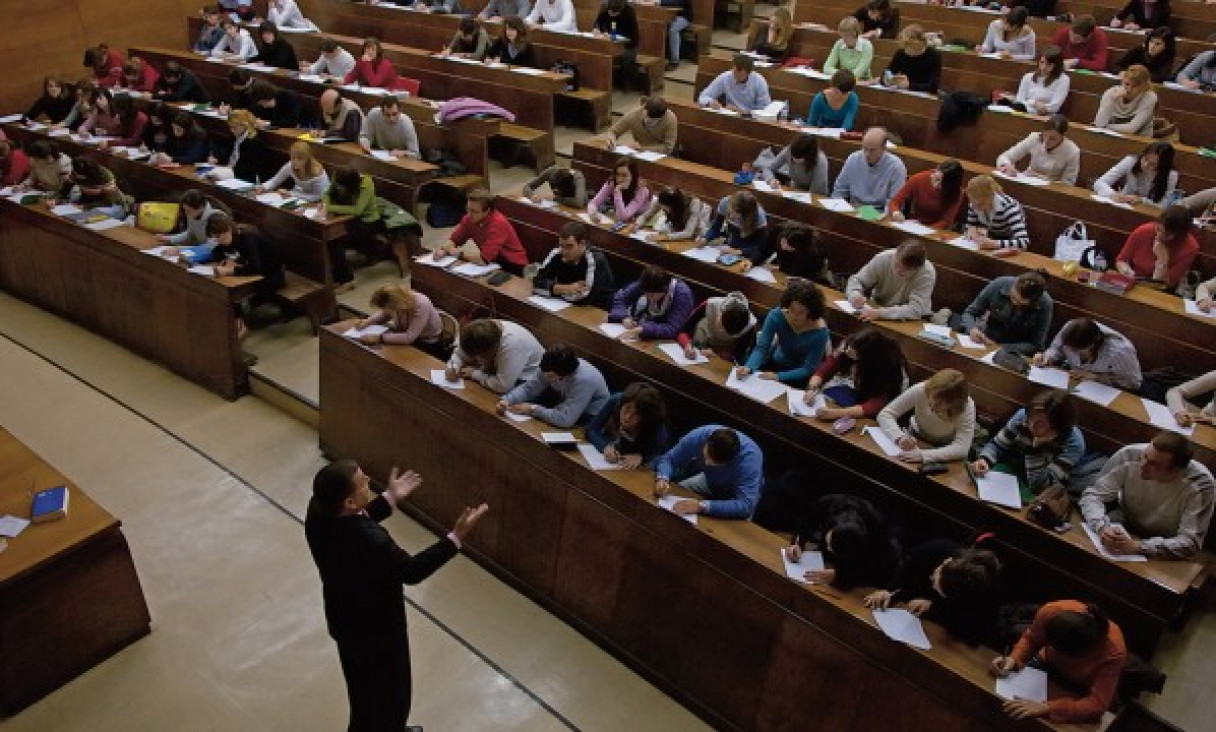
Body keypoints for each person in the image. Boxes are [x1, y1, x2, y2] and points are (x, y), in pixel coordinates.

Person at [305, 460, 488, 732]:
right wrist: (456, 537)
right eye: (362, 483)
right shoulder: (369, 539)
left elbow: (354, 517)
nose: (368, 479)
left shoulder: (318, 512)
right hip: (378, 633)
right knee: (392, 699)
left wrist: (389, 499)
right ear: (350, 503)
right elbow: (411, 570)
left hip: (345, 620)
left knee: (364, 696)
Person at [1080, 433, 1214, 560]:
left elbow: (1190, 542)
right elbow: (1093, 495)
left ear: (1176, 471)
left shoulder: (1201, 483)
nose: (1142, 465)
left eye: (1153, 464)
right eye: (1144, 456)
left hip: (1166, 541)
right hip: (1125, 521)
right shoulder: (1129, 454)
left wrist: (1140, 547)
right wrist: (1101, 527)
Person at [988, 601, 1125, 723]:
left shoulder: (1113, 651)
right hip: (1044, 664)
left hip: (1081, 687)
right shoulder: (1051, 611)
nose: (1053, 651)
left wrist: (1049, 708)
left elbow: (1097, 705)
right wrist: (1014, 659)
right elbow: (1031, 639)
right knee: (1004, 705)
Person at [865, 536, 1002, 645]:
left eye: (938, 588)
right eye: (939, 571)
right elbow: (906, 565)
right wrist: (888, 590)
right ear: (947, 561)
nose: (931, 577)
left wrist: (935, 607)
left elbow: (973, 628)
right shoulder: (939, 548)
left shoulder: (983, 597)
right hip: (904, 602)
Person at [973, 390, 1085, 493]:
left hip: (1035, 490)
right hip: (1009, 473)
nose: (1030, 425)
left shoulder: (1074, 444)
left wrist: (1035, 449)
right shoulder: (1023, 416)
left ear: (1056, 428)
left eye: (1040, 423)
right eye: (1030, 417)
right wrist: (985, 460)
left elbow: (1041, 487)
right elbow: (997, 445)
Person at [785, 493, 900, 588]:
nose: (828, 548)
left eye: (832, 548)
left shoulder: (877, 532)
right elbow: (804, 524)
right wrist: (797, 545)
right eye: (828, 543)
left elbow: (875, 570)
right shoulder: (829, 504)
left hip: (854, 567)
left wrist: (840, 576)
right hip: (822, 560)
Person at [653, 426, 764, 519]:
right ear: (707, 441)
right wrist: (663, 478)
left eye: (713, 463)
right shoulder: (697, 436)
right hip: (708, 481)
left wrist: (702, 506)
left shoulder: (750, 461)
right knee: (675, 494)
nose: (706, 463)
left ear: (732, 460)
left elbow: (745, 505)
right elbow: (669, 460)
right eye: (706, 456)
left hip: (736, 493)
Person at [737, 279, 830, 388]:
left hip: (799, 374)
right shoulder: (776, 316)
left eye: (801, 312)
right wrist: (749, 367)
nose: (794, 315)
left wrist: (779, 376)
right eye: (792, 309)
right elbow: (761, 348)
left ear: (811, 311)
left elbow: (808, 368)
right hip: (776, 361)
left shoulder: (820, 332)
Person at [803, 327, 907, 418]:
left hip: (875, 403)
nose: (848, 351)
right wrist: (811, 388)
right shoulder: (850, 344)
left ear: (868, 358)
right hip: (853, 388)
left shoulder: (888, 368)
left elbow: (876, 404)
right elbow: (827, 366)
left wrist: (836, 413)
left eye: (854, 352)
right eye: (849, 347)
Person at [878, 368, 976, 464]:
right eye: (932, 397)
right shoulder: (921, 389)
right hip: (916, 438)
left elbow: (962, 448)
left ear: (953, 404)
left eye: (939, 405)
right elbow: (885, 414)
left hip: (944, 450)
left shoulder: (967, 408)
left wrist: (923, 455)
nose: (932, 407)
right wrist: (899, 437)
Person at [497, 344, 610, 428]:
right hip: (565, 406)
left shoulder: (584, 380)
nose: (547, 378)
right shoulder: (549, 366)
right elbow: (529, 389)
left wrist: (533, 409)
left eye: (551, 376)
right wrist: (506, 400)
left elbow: (565, 420)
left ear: (564, 375)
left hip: (591, 418)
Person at [435, 189, 530, 276]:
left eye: (474, 211)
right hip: (493, 263)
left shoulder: (498, 224)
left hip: (513, 266)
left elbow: (483, 259)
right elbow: (454, 240)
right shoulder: (469, 219)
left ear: (487, 211)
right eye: (468, 209)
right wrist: (443, 250)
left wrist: (459, 253)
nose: (469, 214)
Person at [322, 166, 389, 289]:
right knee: (329, 236)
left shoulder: (366, 184)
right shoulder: (338, 176)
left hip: (367, 221)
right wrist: (325, 203)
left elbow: (358, 211)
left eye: (340, 187)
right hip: (344, 217)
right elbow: (327, 194)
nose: (337, 187)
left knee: (336, 240)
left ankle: (346, 280)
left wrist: (329, 208)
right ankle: (374, 246)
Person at [958, 270, 1052, 356]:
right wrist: (972, 329)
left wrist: (1000, 347)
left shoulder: (1045, 304)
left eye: (1021, 304)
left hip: (1014, 352)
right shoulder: (999, 284)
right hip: (984, 340)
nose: (1015, 303)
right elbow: (970, 312)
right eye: (1013, 298)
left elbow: (1036, 345)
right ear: (1014, 285)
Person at [1036, 318, 1142, 391]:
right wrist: (1047, 358)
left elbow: (1133, 383)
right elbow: (1055, 349)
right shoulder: (1070, 328)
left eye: (1076, 350)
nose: (1071, 352)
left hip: (1103, 391)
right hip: (1071, 380)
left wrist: (1096, 377)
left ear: (1091, 345)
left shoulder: (1121, 351)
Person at [845, 240, 935, 322]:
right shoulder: (883, 258)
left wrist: (880, 313)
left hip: (910, 319)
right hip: (878, 307)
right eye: (896, 264)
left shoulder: (927, 273)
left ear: (917, 268)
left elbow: (915, 310)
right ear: (896, 253)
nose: (898, 271)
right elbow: (856, 280)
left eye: (905, 269)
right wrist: (854, 296)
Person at [446, 318, 544, 393]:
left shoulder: (511, 345)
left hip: (529, 379)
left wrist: (474, 374)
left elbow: (503, 386)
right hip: (499, 372)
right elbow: (459, 353)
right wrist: (453, 367)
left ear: (490, 351)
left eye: (479, 356)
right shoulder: (479, 331)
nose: (477, 358)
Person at [585, 382, 670, 468]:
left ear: (645, 417)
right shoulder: (616, 400)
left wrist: (641, 458)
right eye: (627, 409)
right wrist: (605, 447)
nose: (627, 417)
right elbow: (591, 429)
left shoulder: (656, 424)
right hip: (617, 456)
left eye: (636, 414)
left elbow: (664, 458)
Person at [532, 221, 616, 308]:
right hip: (563, 306)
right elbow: (536, 283)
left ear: (582, 244)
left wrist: (553, 290)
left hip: (596, 310)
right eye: (561, 245)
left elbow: (585, 298)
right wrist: (566, 289)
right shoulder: (557, 252)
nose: (564, 251)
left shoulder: (595, 259)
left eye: (569, 246)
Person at [1115, 205, 1198, 289]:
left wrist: (1162, 260)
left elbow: (1163, 285)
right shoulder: (1144, 231)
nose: (1159, 236)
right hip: (1134, 280)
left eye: (1167, 234)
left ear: (1180, 235)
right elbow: (1121, 260)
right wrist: (1126, 271)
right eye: (1158, 229)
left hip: (1162, 292)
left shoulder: (1190, 248)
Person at [353, 282, 447, 357]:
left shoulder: (421, 303)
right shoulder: (396, 303)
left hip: (427, 343)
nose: (386, 310)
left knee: (392, 357)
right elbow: (385, 314)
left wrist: (379, 338)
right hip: (405, 335)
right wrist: (368, 321)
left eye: (389, 308)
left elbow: (409, 338)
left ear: (397, 305)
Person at [204, 213, 285, 296]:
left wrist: (230, 270)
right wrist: (225, 260)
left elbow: (255, 268)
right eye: (215, 238)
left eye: (219, 237)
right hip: (252, 274)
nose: (218, 241)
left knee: (235, 297)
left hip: (271, 276)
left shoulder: (247, 240)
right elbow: (217, 251)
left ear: (229, 230)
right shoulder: (226, 239)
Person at [607, 265, 695, 341]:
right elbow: (620, 298)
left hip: (673, 341)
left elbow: (672, 329)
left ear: (664, 289)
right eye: (646, 294)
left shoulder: (682, 294)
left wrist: (643, 329)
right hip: (647, 331)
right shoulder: (647, 283)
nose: (648, 298)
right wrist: (623, 317)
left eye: (652, 295)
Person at [830, 127, 907, 209]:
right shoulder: (853, 158)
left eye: (872, 150)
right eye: (865, 148)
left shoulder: (896, 167)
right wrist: (835, 209)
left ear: (883, 148)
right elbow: (839, 190)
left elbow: (893, 204)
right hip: (852, 210)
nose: (867, 154)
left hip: (878, 214)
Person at [996, 114, 1081, 185]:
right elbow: (1005, 156)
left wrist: (1044, 179)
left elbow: (1068, 184)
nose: (1046, 141)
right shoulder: (1035, 138)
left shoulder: (1072, 151)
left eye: (1052, 139)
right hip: (1027, 181)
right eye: (1045, 136)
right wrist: (1007, 167)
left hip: (1051, 190)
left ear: (1063, 136)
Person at [677, 291, 757, 363]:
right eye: (721, 325)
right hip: (698, 350)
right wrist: (687, 345)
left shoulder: (751, 326)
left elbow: (742, 357)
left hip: (723, 361)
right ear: (721, 311)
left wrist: (719, 355)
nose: (721, 331)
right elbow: (683, 331)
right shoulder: (710, 304)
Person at [1094, 141, 1177, 207]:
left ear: (1162, 166)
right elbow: (1099, 183)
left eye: (1153, 164)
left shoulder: (1171, 175)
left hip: (1147, 211)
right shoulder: (1131, 161)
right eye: (1145, 159)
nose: (1145, 165)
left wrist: (1142, 200)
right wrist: (1113, 194)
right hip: (1121, 204)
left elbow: (1164, 205)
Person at [887, 158, 964, 229]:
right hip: (914, 224)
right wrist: (895, 212)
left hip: (937, 230)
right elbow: (895, 201)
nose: (936, 185)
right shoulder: (918, 178)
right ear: (935, 171)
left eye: (942, 184)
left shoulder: (957, 192)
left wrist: (927, 230)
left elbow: (946, 221)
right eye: (936, 179)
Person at [700, 191, 770, 266]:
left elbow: (763, 248)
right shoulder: (725, 202)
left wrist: (739, 252)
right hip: (731, 248)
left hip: (751, 255)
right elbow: (715, 227)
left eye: (735, 213)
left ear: (745, 214)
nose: (731, 216)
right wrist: (705, 238)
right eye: (730, 210)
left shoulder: (759, 216)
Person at [964, 175, 1030, 250]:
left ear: (991, 197)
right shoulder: (974, 204)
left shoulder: (1009, 207)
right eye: (972, 202)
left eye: (980, 204)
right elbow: (970, 226)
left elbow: (1024, 242)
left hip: (1008, 240)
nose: (976, 208)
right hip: (990, 238)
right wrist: (971, 230)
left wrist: (995, 244)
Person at [209, 109, 277, 183]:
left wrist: (228, 171)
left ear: (244, 125)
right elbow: (226, 153)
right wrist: (217, 159)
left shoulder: (254, 142)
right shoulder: (233, 136)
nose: (232, 130)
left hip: (245, 176)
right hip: (230, 170)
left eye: (234, 127)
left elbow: (248, 168)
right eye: (230, 127)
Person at [1094, 65, 1157, 137]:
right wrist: (1112, 100)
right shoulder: (1111, 93)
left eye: (1134, 86)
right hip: (1111, 136)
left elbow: (1131, 129)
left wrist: (1105, 127)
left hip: (1139, 138)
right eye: (1127, 84)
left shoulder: (1150, 97)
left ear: (1143, 86)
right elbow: (1099, 123)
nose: (1129, 89)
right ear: (1122, 81)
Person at [1005, 47, 1070, 115]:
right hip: (1023, 111)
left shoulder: (1063, 80)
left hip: (1044, 116)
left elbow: (1054, 107)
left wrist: (1042, 107)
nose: (1043, 67)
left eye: (1049, 64)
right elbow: (1019, 101)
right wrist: (1034, 103)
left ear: (1057, 66)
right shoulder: (1028, 76)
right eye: (1042, 62)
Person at [697, 53, 771, 112]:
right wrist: (710, 103)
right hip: (730, 115)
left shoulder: (759, 81)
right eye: (734, 71)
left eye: (739, 73)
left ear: (749, 73)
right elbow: (704, 96)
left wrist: (743, 112)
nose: (735, 75)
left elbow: (765, 110)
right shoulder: (726, 77)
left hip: (750, 119)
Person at [257, 141, 330, 201]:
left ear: (307, 159)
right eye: (293, 157)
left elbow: (317, 197)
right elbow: (275, 181)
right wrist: (264, 187)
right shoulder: (290, 165)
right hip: (300, 195)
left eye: (299, 158)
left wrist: (291, 194)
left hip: (319, 201)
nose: (295, 161)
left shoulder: (316, 172)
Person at [758, 133, 829, 195]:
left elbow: (816, 191)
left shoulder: (820, 161)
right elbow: (768, 168)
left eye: (799, 159)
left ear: (809, 156)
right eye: (792, 158)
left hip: (815, 195)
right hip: (795, 189)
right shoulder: (789, 150)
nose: (794, 161)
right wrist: (771, 180)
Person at [635, 185, 712, 242]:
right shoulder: (662, 200)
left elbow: (688, 232)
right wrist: (637, 224)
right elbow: (645, 216)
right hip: (677, 225)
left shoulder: (694, 204)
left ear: (674, 206)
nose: (663, 209)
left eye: (666, 208)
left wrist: (665, 237)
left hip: (699, 223)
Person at [587, 157, 651, 224]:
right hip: (626, 215)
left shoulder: (642, 190)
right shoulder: (612, 182)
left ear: (633, 176)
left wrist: (617, 191)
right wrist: (592, 214)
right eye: (617, 175)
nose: (619, 179)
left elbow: (623, 217)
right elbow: (593, 203)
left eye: (624, 175)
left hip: (642, 218)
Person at [606, 96, 678, 154]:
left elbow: (668, 148)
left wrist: (643, 148)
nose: (647, 122)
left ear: (662, 117)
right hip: (639, 152)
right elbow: (614, 131)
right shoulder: (634, 114)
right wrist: (611, 139)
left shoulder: (670, 119)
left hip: (660, 155)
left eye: (652, 121)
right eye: (646, 117)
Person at [65, 157, 133, 218]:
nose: (75, 176)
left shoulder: (106, 177)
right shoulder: (76, 173)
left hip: (114, 205)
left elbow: (108, 202)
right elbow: (69, 186)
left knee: (94, 213)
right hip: (89, 201)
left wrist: (85, 207)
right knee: (70, 200)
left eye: (78, 175)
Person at [158, 189, 228, 247]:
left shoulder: (216, 218)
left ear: (200, 207)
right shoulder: (193, 214)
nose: (186, 213)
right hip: (199, 249)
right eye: (184, 210)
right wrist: (169, 239)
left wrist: (181, 249)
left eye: (188, 211)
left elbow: (211, 246)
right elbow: (190, 232)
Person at [594, 0, 640, 88]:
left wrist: (617, 39)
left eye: (615, 14)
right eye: (610, 12)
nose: (612, 15)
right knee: (597, 54)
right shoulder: (604, 7)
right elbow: (597, 23)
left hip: (628, 46)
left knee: (626, 57)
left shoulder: (629, 12)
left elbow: (634, 39)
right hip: (608, 44)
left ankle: (625, 82)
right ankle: (601, 82)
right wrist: (596, 30)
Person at [885, 24, 940, 93]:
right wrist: (891, 79)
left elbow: (933, 86)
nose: (908, 49)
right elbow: (887, 73)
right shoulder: (901, 53)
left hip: (923, 94)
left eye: (910, 45)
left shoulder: (933, 55)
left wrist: (909, 85)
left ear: (921, 42)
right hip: (903, 91)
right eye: (906, 45)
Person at [345, 38, 409, 90]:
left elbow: (374, 82)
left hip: (393, 94)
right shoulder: (361, 61)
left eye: (373, 50)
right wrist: (342, 81)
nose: (370, 52)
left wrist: (367, 63)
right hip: (374, 92)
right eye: (367, 49)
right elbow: (352, 75)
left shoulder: (385, 64)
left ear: (378, 52)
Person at [523, 165, 587, 208]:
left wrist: (555, 198)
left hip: (571, 204)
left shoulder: (578, 178)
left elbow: (579, 203)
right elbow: (527, 186)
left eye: (558, 189)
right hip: (554, 205)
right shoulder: (551, 171)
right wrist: (532, 196)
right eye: (555, 188)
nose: (556, 190)